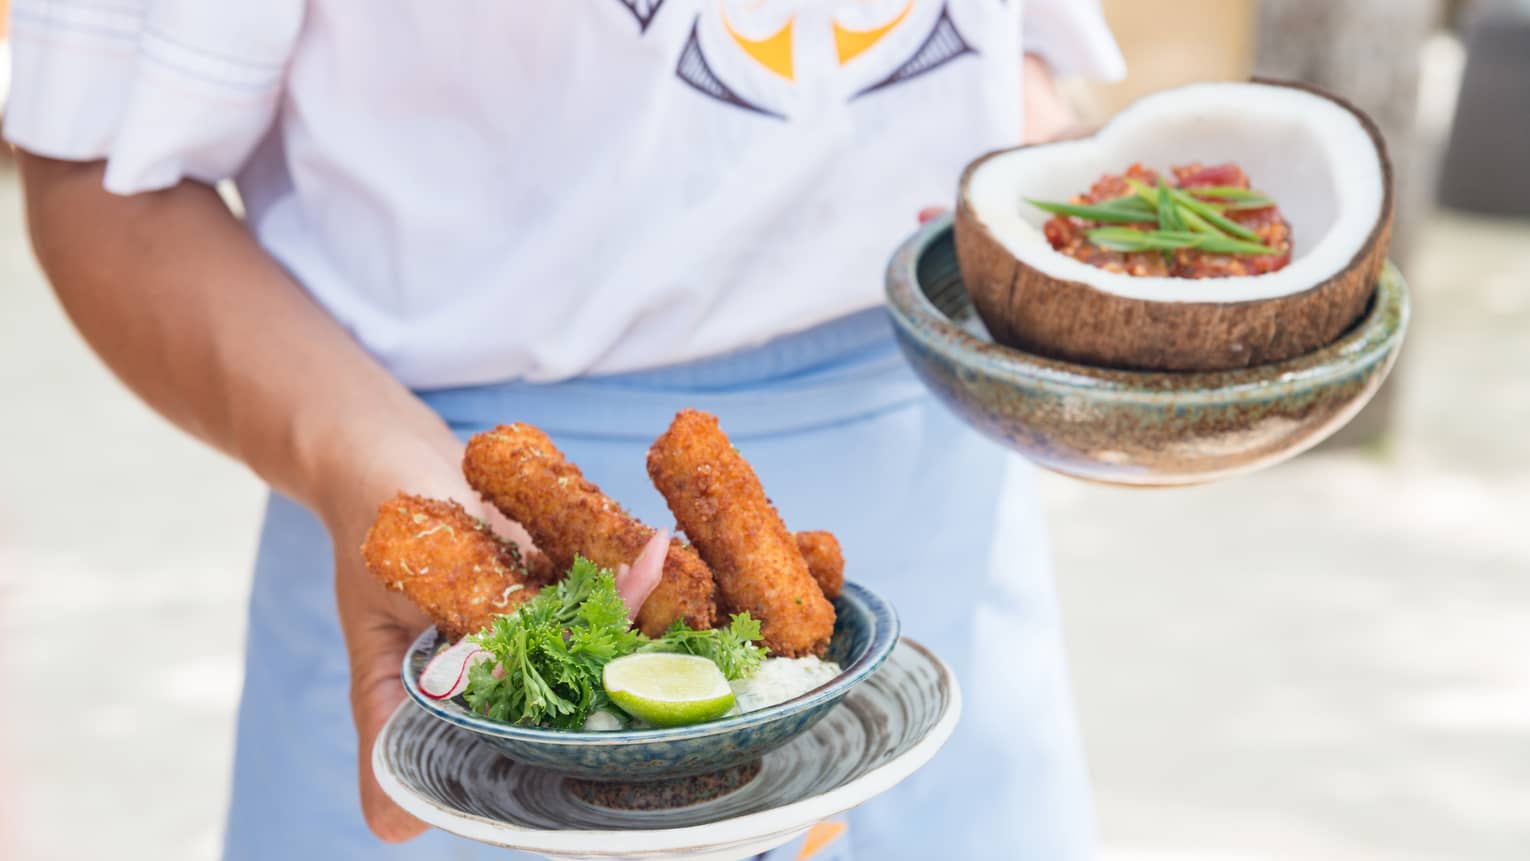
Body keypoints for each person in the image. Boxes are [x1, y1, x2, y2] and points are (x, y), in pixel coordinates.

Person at [6, 1, 1123, 858]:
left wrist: (1096, 294)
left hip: (938, 566)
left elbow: (988, 70)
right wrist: (364, 466)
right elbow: (97, 167)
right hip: (458, 612)